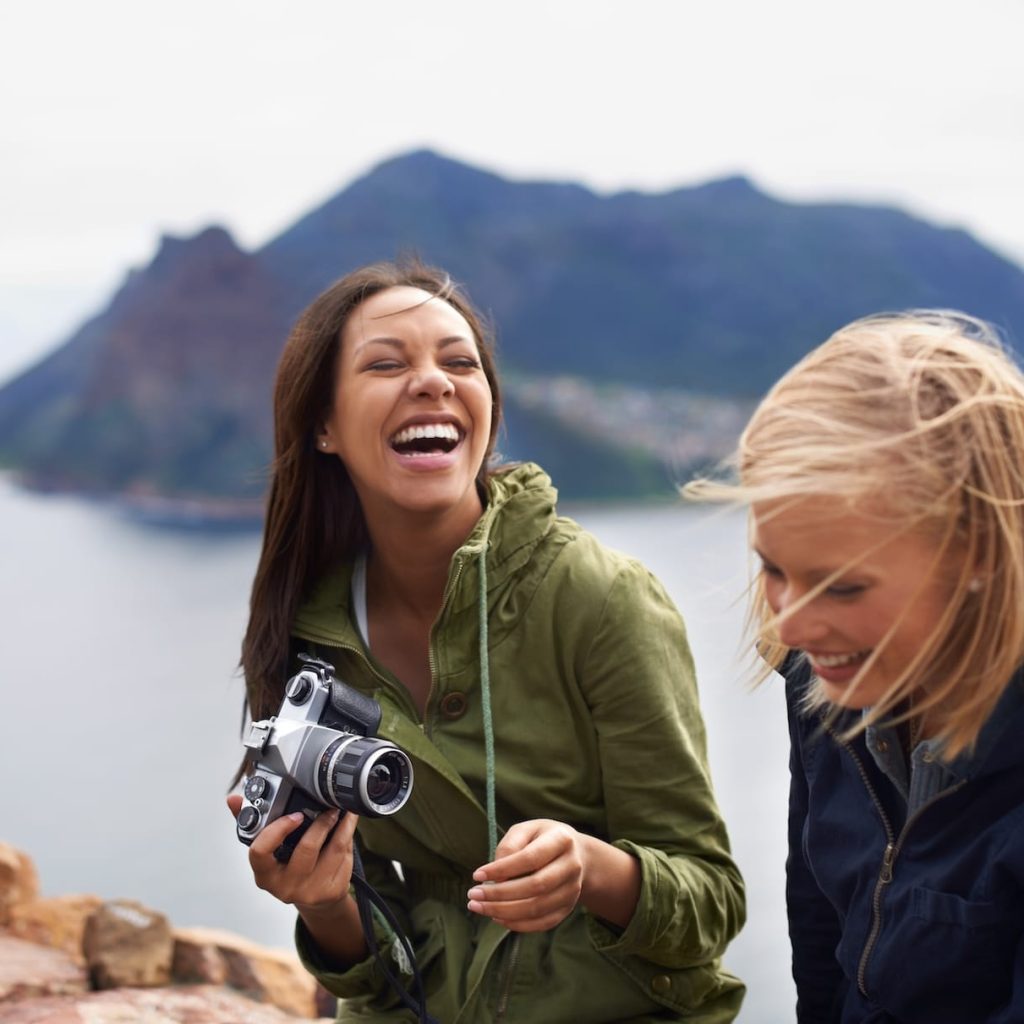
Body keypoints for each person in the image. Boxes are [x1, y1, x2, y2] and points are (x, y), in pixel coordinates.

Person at [228, 259, 745, 1023]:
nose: (434, 381)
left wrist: (590, 868)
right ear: (324, 426)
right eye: (386, 363)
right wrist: (323, 905)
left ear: (488, 411)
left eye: (459, 362)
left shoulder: (600, 599)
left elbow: (711, 903)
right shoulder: (314, 634)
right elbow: (371, 973)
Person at [684, 310, 1024, 1022]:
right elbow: (820, 925)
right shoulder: (824, 681)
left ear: (978, 560)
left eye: (842, 585)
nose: (788, 625)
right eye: (773, 569)